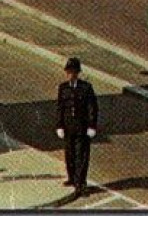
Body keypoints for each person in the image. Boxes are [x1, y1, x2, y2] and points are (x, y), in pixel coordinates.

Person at [56, 57, 99, 192]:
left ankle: (80, 182)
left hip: (82, 127)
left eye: (72, 72)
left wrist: (92, 125)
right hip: (68, 127)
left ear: (77, 73)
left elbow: (92, 107)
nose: (70, 75)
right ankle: (72, 178)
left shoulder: (86, 88)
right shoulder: (63, 88)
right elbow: (60, 108)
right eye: (68, 72)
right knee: (69, 154)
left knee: (81, 155)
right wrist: (59, 125)